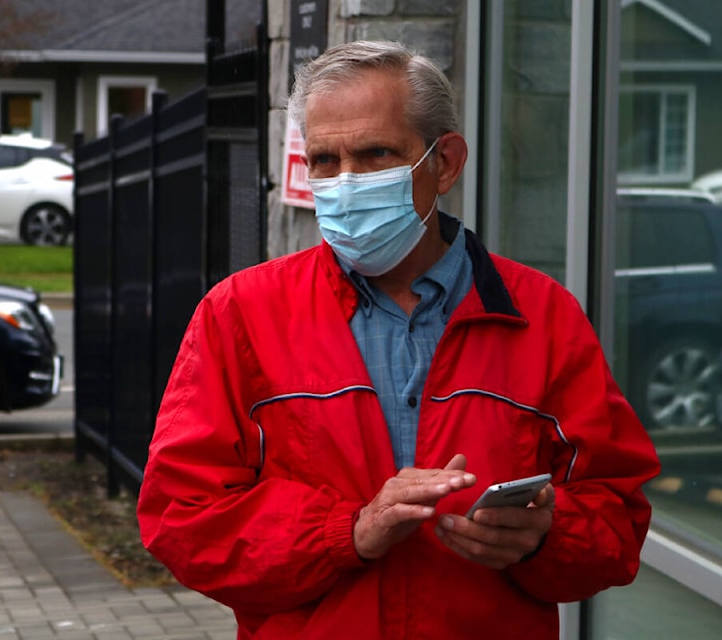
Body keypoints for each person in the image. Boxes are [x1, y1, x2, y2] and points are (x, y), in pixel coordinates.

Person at [137, 40, 661, 640]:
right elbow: (182, 519)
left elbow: (617, 517)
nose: (346, 182)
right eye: (325, 161)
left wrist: (547, 535)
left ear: (445, 162)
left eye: (375, 153)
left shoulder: (542, 317)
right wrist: (348, 532)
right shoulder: (241, 314)